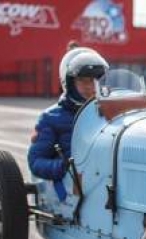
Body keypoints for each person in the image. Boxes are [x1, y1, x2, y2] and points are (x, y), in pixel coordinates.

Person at [28, 48, 109, 200]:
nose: (92, 86)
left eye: (95, 80)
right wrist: (64, 167)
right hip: (71, 190)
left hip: (105, 181)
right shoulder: (50, 118)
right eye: (84, 80)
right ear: (70, 83)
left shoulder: (109, 112)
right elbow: (35, 162)